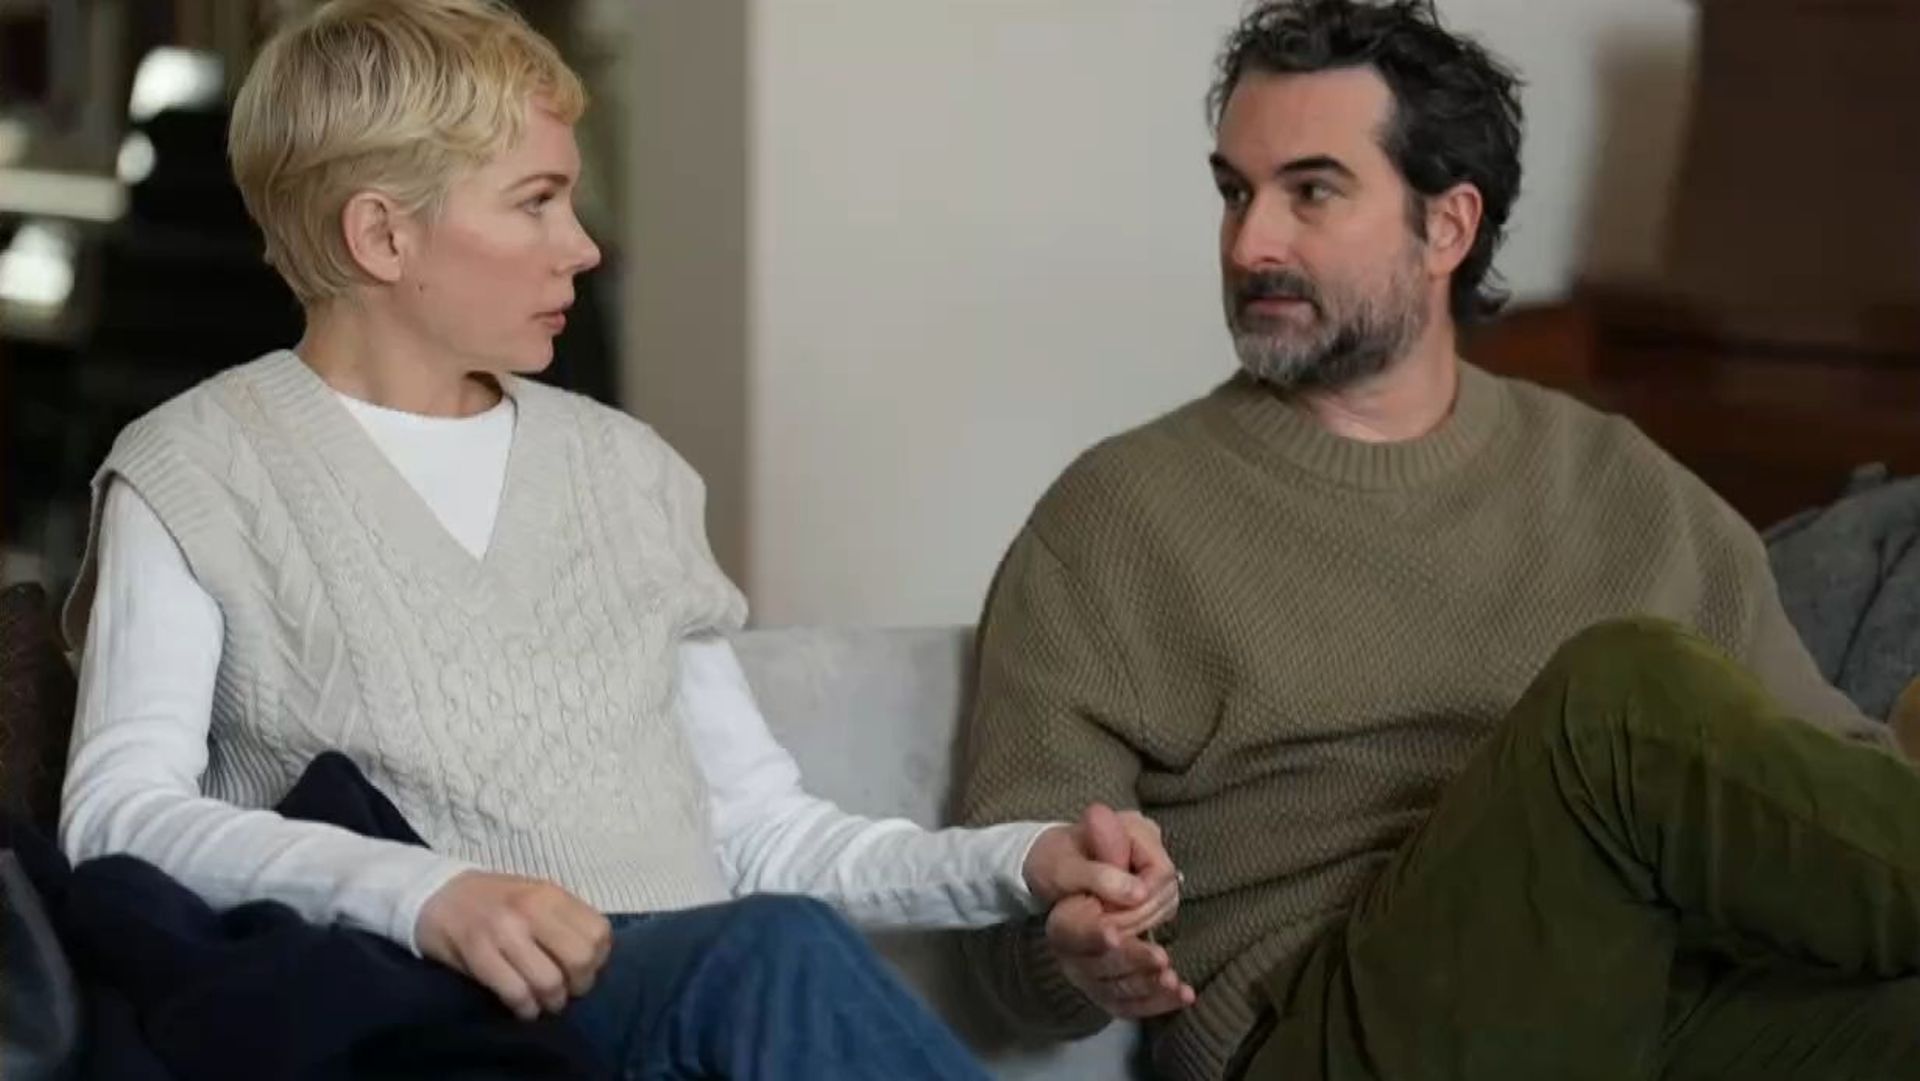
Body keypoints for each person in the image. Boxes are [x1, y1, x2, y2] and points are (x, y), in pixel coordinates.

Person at [55, 3, 1178, 1078]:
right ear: (383, 233)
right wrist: (428, 894)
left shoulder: (626, 472)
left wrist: (1021, 860)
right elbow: (117, 817)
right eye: (536, 202)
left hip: (682, 1003)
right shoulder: (196, 467)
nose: (582, 248)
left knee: (766, 950)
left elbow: (763, 837)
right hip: (427, 1014)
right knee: (768, 952)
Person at [953, 2, 1920, 1079]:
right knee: (1620, 699)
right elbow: (1005, 920)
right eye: (1235, 192)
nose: (1250, 242)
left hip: (1659, 1016)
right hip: (1330, 1036)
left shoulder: (1625, 486)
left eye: (1311, 191)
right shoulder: (1116, 518)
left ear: (1448, 227)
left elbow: (1839, 808)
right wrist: (1073, 940)